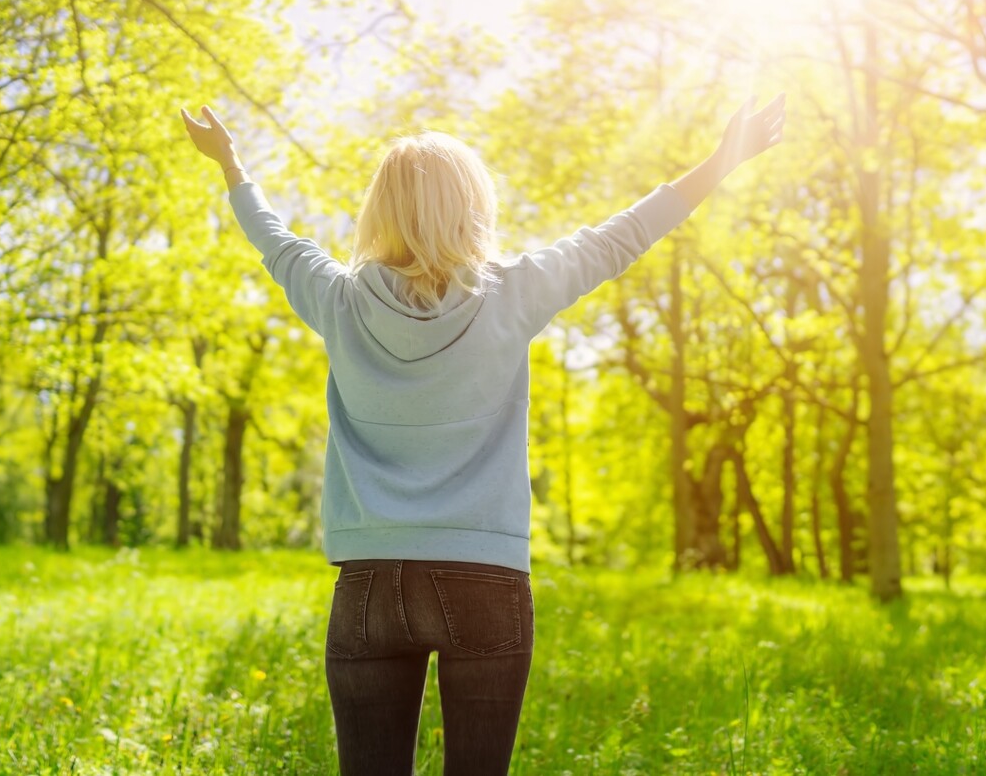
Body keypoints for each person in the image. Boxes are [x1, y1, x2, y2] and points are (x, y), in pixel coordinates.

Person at [176, 96, 785, 776]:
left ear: (380, 211)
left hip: (370, 584)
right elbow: (621, 237)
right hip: (485, 578)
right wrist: (720, 160)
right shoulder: (512, 294)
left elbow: (273, 238)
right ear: (472, 207)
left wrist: (231, 164)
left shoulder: (338, 300)